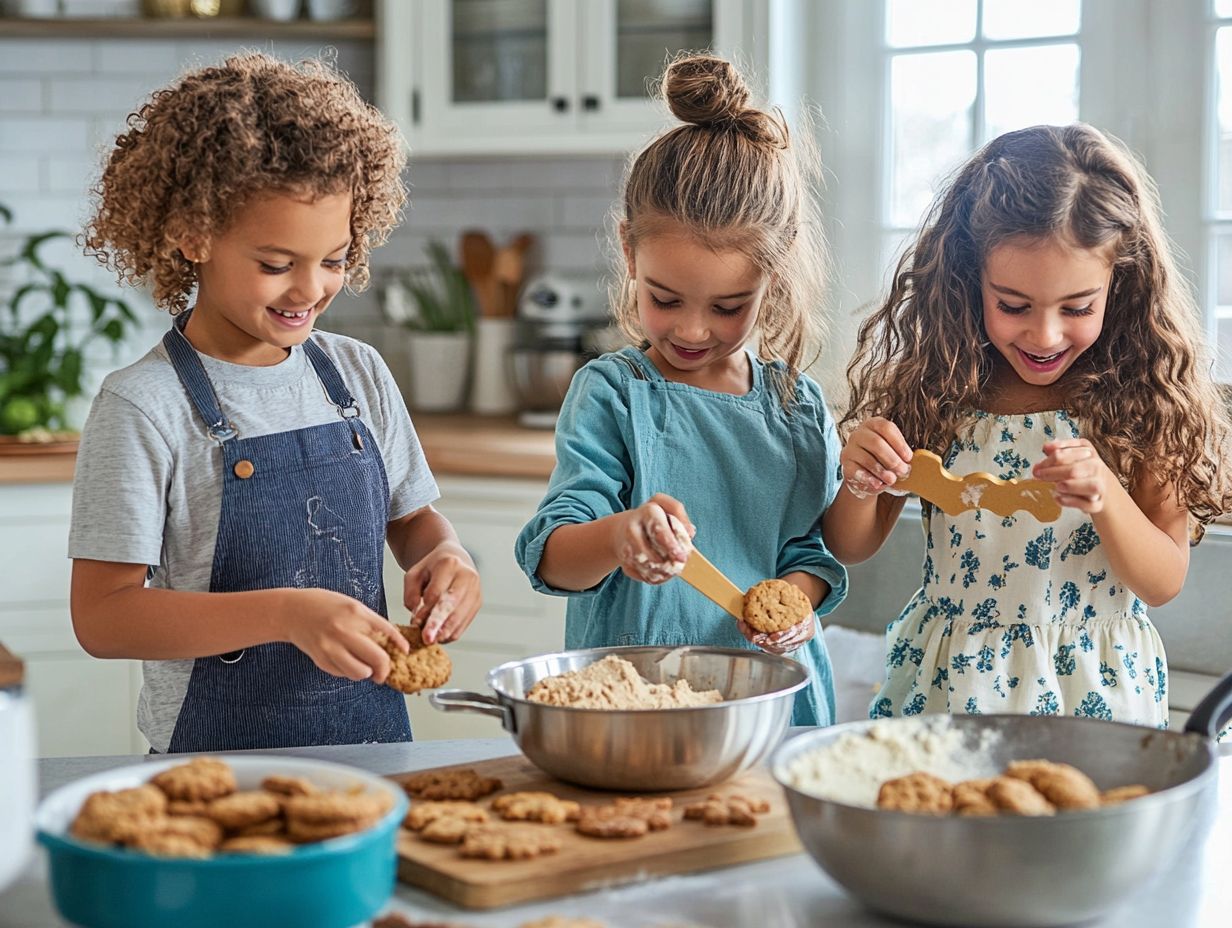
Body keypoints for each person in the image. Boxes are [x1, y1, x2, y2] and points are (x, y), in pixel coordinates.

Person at [69, 52, 481, 753]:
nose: (310, 290)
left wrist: (450, 558)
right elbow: (104, 617)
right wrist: (287, 614)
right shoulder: (143, 407)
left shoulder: (357, 374)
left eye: (335, 259)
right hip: (212, 770)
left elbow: (413, 520)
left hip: (373, 751)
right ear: (191, 234)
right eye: (276, 264)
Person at [824, 123, 1232, 726]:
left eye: (1078, 307)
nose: (1044, 336)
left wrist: (1106, 496)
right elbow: (850, 546)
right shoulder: (938, 386)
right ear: (968, 279)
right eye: (1013, 305)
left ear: (1121, 286)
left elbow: (1163, 579)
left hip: (1091, 691)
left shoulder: (1145, 402)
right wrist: (861, 478)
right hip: (950, 682)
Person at [514, 54, 847, 726]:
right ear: (629, 253)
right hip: (635, 708)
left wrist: (798, 603)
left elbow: (810, 555)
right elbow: (553, 555)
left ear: (773, 279)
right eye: (665, 299)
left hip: (773, 708)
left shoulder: (798, 408)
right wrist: (616, 539)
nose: (693, 330)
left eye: (728, 307)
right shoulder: (613, 395)